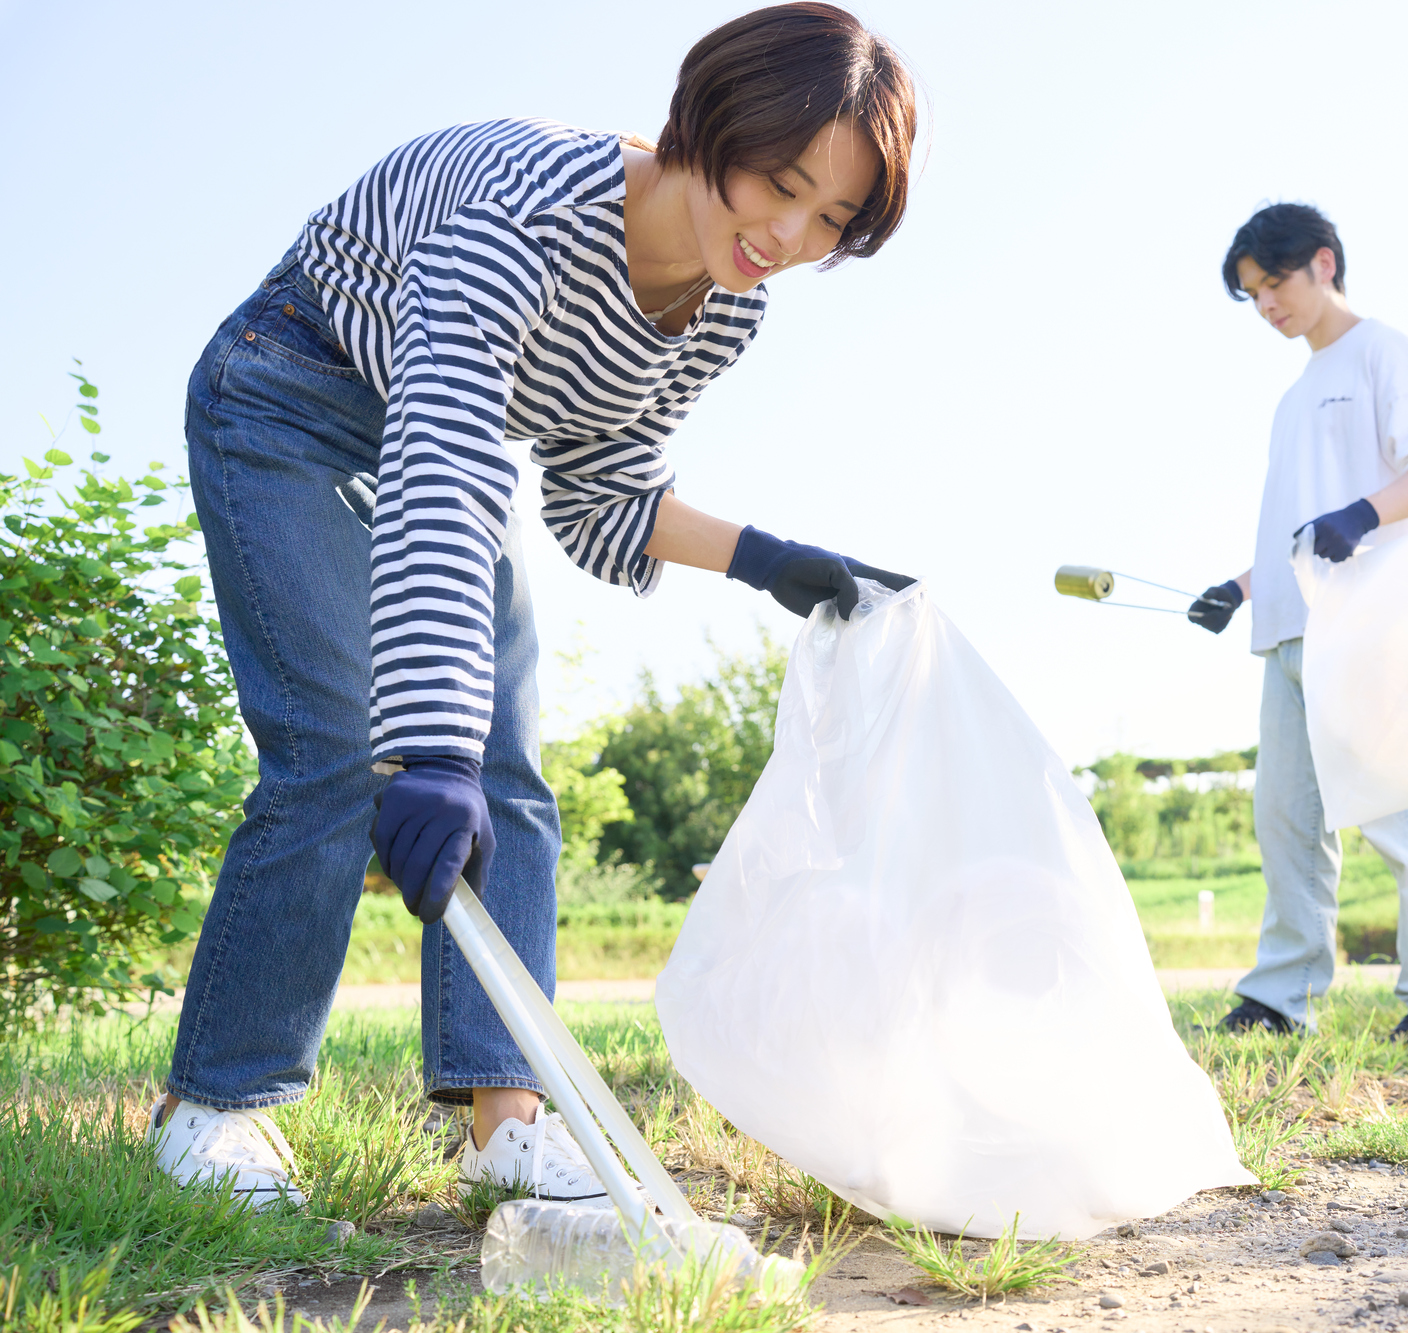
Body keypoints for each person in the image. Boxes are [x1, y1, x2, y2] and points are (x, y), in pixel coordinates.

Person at [147, 3, 920, 1210]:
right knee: (339, 750)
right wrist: (429, 742)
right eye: (779, 182)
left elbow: (601, 495)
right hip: (288, 397)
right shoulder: (521, 211)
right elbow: (447, 469)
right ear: (706, 122)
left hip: (443, 449)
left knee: (511, 778)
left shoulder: (727, 307)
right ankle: (219, 1110)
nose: (787, 233)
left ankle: (506, 1119)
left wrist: (768, 559)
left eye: (831, 218)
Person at [1187, 203, 1408, 1055]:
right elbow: (1297, 530)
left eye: (1272, 284)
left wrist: (1362, 512)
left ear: (1323, 262)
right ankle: (1281, 998)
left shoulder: (1382, 350)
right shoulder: (1294, 394)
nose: (1266, 307)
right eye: (1251, 295)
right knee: (1286, 822)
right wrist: (1238, 589)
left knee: (1399, 813)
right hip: (1287, 632)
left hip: (1364, 628)